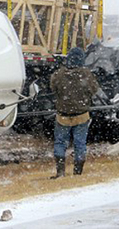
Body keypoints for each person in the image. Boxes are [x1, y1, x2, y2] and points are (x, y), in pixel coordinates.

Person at [49, 47, 100, 178]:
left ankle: (60, 172)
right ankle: (78, 172)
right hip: (81, 115)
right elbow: (94, 90)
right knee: (80, 143)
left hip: (63, 115)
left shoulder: (59, 74)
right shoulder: (86, 75)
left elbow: (53, 88)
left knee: (60, 142)